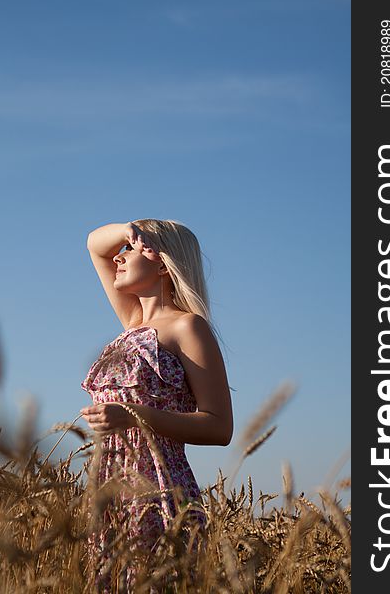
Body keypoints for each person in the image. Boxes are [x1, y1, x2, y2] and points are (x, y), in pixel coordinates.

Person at [80, 219, 233, 592]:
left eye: (129, 250)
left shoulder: (188, 327)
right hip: (108, 487)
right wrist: (129, 230)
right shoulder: (132, 322)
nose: (118, 256)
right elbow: (95, 244)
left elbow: (219, 426)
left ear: (163, 263)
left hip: (158, 489)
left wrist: (132, 415)